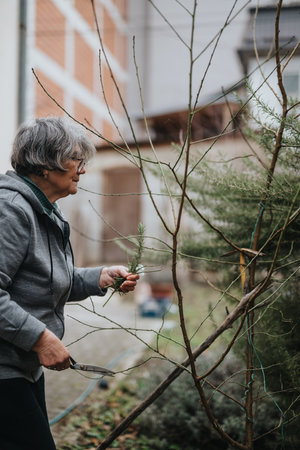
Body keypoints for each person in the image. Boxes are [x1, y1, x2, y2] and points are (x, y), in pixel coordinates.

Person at [0, 117, 139, 450]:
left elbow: (46, 279)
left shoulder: (46, 211)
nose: (83, 169)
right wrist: (41, 338)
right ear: (46, 163)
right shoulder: (11, 210)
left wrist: (99, 277)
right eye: (77, 158)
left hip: (23, 366)